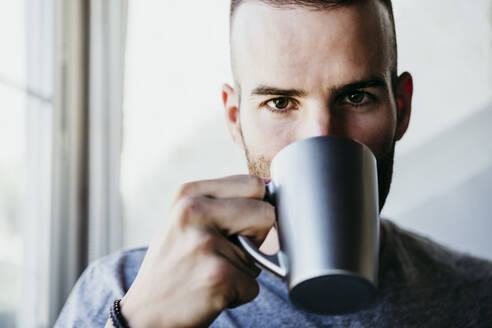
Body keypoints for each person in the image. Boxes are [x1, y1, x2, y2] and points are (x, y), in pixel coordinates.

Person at [55, 0, 492, 327]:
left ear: (401, 108)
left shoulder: (478, 296)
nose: (321, 137)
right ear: (235, 120)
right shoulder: (121, 293)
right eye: (281, 102)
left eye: (356, 97)